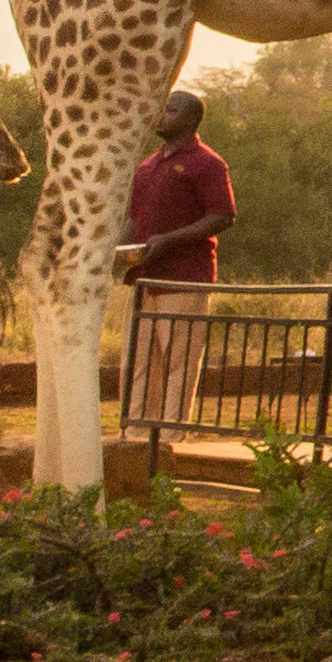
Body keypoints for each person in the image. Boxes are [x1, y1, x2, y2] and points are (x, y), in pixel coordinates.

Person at [119, 88, 235, 419]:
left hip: (184, 278)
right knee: (138, 361)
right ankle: (136, 431)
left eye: (170, 110)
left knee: (179, 362)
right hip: (143, 278)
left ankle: (171, 433)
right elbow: (134, 218)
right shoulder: (149, 165)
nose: (162, 115)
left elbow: (223, 215)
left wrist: (170, 239)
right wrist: (116, 252)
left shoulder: (208, 163)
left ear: (191, 119)